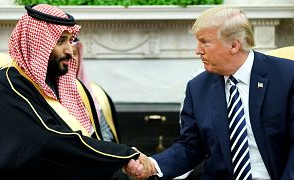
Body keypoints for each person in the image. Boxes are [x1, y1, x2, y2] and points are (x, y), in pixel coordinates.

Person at [0, 4, 142, 179]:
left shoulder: (65, 87)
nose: (69, 50)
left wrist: (122, 162)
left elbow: (91, 139)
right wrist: (123, 155)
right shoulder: (5, 86)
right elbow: (51, 141)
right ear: (36, 44)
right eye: (60, 41)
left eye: (70, 41)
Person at [125, 6, 294, 180]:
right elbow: (190, 147)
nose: (198, 50)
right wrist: (152, 165)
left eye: (205, 42)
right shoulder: (197, 87)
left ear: (234, 45)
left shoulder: (287, 77)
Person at [72, 38, 119, 143]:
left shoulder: (97, 94)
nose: (70, 58)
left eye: (74, 53)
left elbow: (105, 133)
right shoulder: (50, 91)